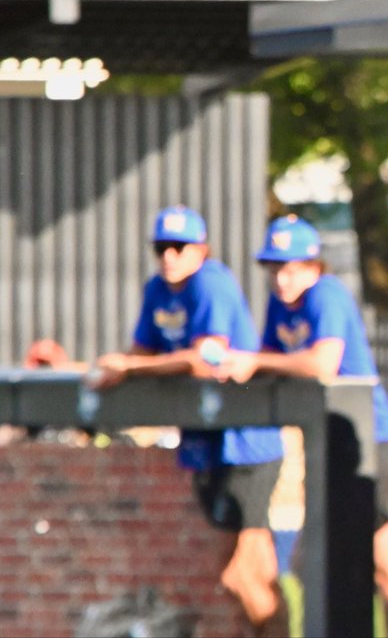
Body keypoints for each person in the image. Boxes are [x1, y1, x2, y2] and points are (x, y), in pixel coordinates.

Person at [214, 215, 388, 637]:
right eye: (273, 268)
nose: (280, 279)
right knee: (309, 564)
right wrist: (235, 362)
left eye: (289, 268)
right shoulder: (281, 303)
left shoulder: (328, 294)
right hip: (331, 447)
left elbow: (323, 363)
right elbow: (270, 357)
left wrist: (255, 361)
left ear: (313, 266)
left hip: (375, 444)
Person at [89, 205, 287, 637]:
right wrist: (105, 367)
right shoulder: (157, 289)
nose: (169, 256)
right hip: (206, 441)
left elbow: (203, 358)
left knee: (241, 570)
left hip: (246, 443)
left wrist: (129, 367)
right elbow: (139, 354)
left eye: (179, 247)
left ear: (202, 249)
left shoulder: (211, 283)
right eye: (161, 247)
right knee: (240, 570)